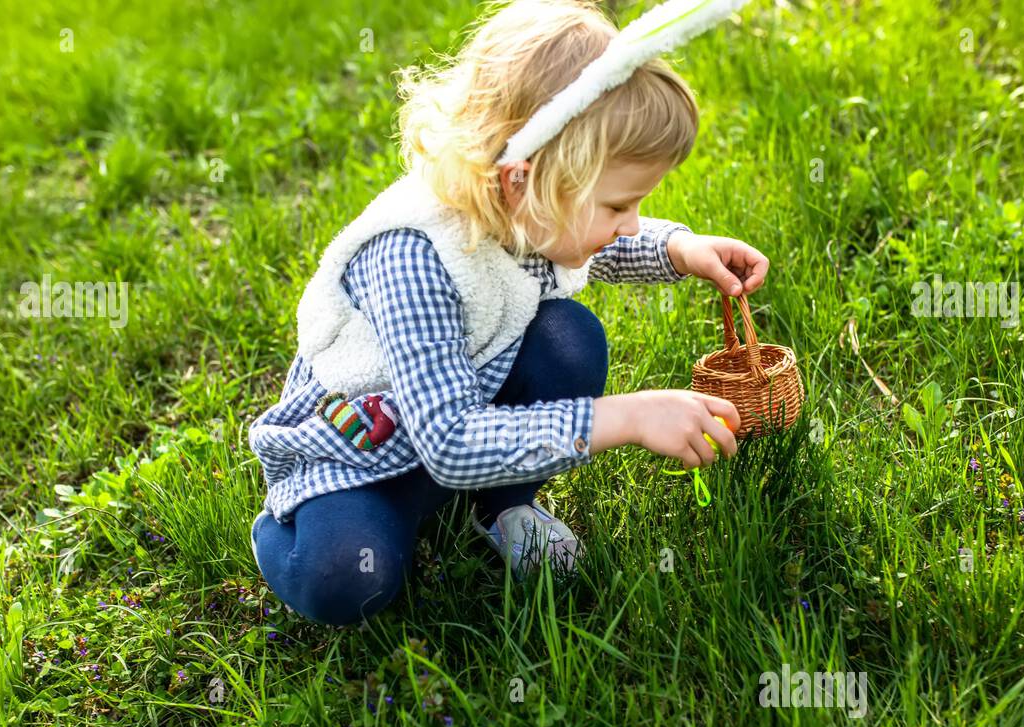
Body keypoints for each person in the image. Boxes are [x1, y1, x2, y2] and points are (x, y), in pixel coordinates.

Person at [248, 0, 767, 627]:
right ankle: (291, 527)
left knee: (568, 338)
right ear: (523, 181)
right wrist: (626, 416)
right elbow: (447, 442)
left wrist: (679, 247)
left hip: (459, 422)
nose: (627, 224)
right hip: (360, 456)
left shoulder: (520, 207)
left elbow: (593, 247)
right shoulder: (416, 256)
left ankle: (501, 506)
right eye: (616, 207)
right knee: (345, 576)